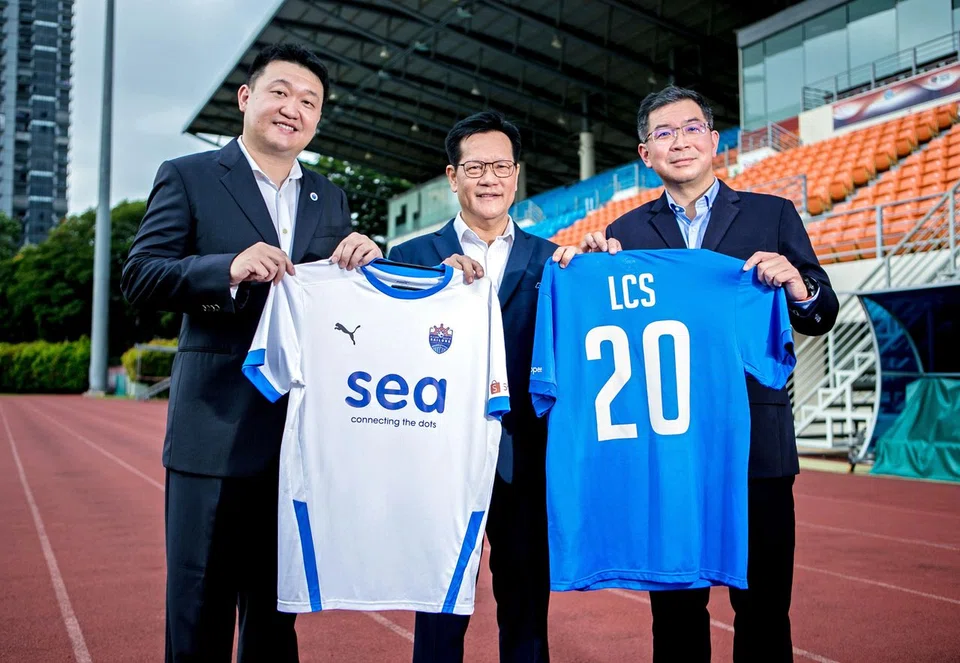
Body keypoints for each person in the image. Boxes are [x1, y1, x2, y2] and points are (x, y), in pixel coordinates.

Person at [553, 85, 839, 663]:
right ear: (644, 153)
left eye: (690, 129)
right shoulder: (625, 236)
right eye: (663, 133)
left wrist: (795, 282)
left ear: (714, 140)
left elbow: (820, 314)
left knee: (762, 609)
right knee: (677, 614)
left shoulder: (771, 214)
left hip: (754, 447)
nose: (678, 142)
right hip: (667, 448)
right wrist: (587, 270)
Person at [120, 43, 381, 662]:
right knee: (200, 607)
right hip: (214, 430)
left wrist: (366, 257)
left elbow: (341, 303)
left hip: (299, 439)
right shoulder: (188, 175)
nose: (293, 109)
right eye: (281, 92)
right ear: (247, 98)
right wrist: (228, 270)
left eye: (309, 101)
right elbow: (141, 276)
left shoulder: (329, 196)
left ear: (319, 119)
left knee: (275, 613)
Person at [388, 110, 555, 663]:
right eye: (476, 166)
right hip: (439, 458)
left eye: (501, 166)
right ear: (452, 176)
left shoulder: (556, 262)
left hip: (526, 460)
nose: (490, 178)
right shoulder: (409, 258)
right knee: (437, 613)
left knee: (527, 611)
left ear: (516, 176)